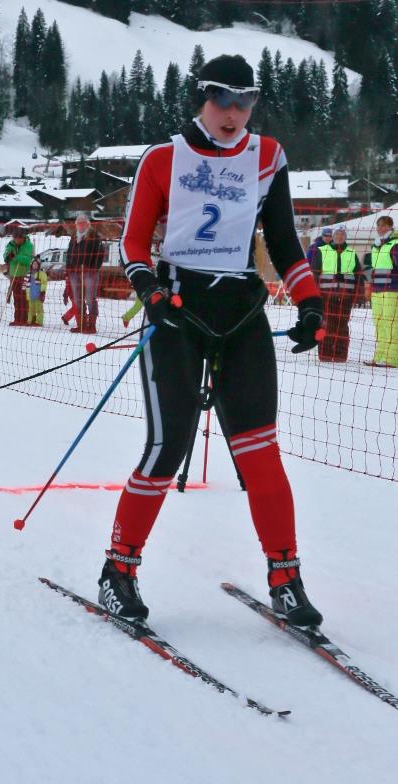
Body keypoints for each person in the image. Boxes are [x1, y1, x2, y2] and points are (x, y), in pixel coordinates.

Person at [98, 54, 326, 627]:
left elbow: (283, 241)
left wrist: (310, 301)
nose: (233, 113)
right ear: (202, 98)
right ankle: (118, 571)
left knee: (261, 454)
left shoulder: (268, 156)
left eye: (245, 100)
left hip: (241, 312)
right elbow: (132, 243)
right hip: (177, 312)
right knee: (167, 446)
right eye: (223, 99)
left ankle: (285, 577)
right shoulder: (163, 158)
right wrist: (148, 289)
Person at [314, 226, 361, 363]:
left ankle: (340, 355)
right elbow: (315, 272)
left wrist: (358, 293)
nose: (339, 237)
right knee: (327, 324)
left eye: (342, 235)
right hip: (326, 295)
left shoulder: (352, 253)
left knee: (342, 324)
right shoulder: (322, 251)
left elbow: (358, 274)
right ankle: (325, 353)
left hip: (346, 296)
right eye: (337, 234)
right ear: (332, 237)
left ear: (345, 237)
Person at [65, 214, 107, 334]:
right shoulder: (74, 237)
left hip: (90, 272)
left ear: (88, 224)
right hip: (74, 272)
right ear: (76, 225)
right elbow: (69, 254)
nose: (81, 225)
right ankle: (81, 325)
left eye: (83, 223)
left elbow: (100, 254)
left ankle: (91, 325)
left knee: (90, 298)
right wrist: (69, 270)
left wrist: (93, 268)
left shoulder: (94, 237)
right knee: (78, 299)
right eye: (79, 223)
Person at [365, 215, 398, 368]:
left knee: (391, 323)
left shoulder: (395, 244)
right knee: (379, 322)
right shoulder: (376, 245)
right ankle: (380, 356)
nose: (381, 228)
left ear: (391, 227)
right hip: (377, 290)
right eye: (379, 226)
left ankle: (392, 359)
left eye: (385, 226)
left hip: (392, 290)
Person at [2, 228, 33, 325]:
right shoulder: (11, 244)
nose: (16, 240)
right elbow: (5, 256)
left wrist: (16, 257)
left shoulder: (29, 246)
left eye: (18, 239)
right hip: (13, 275)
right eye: (15, 238)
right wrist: (8, 255)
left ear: (22, 238)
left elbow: (28, 260)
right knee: (16, 298)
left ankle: (25, 319)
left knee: (24, 298)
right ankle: (17, 319)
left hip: (25, 275)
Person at [26, 258, 48, 326]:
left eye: (36, 264)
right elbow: (25, 283)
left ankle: (39, 322)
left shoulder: (42, 273)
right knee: (31, 309)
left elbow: (44, 283)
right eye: (34, 264)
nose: (35, 265)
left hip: (38, 294)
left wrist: (42, 291)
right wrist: (24, 290)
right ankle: (30, 321)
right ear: (31, 265)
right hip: (30, 294)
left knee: (39, 309)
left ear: (39, 265)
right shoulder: (28, 273)